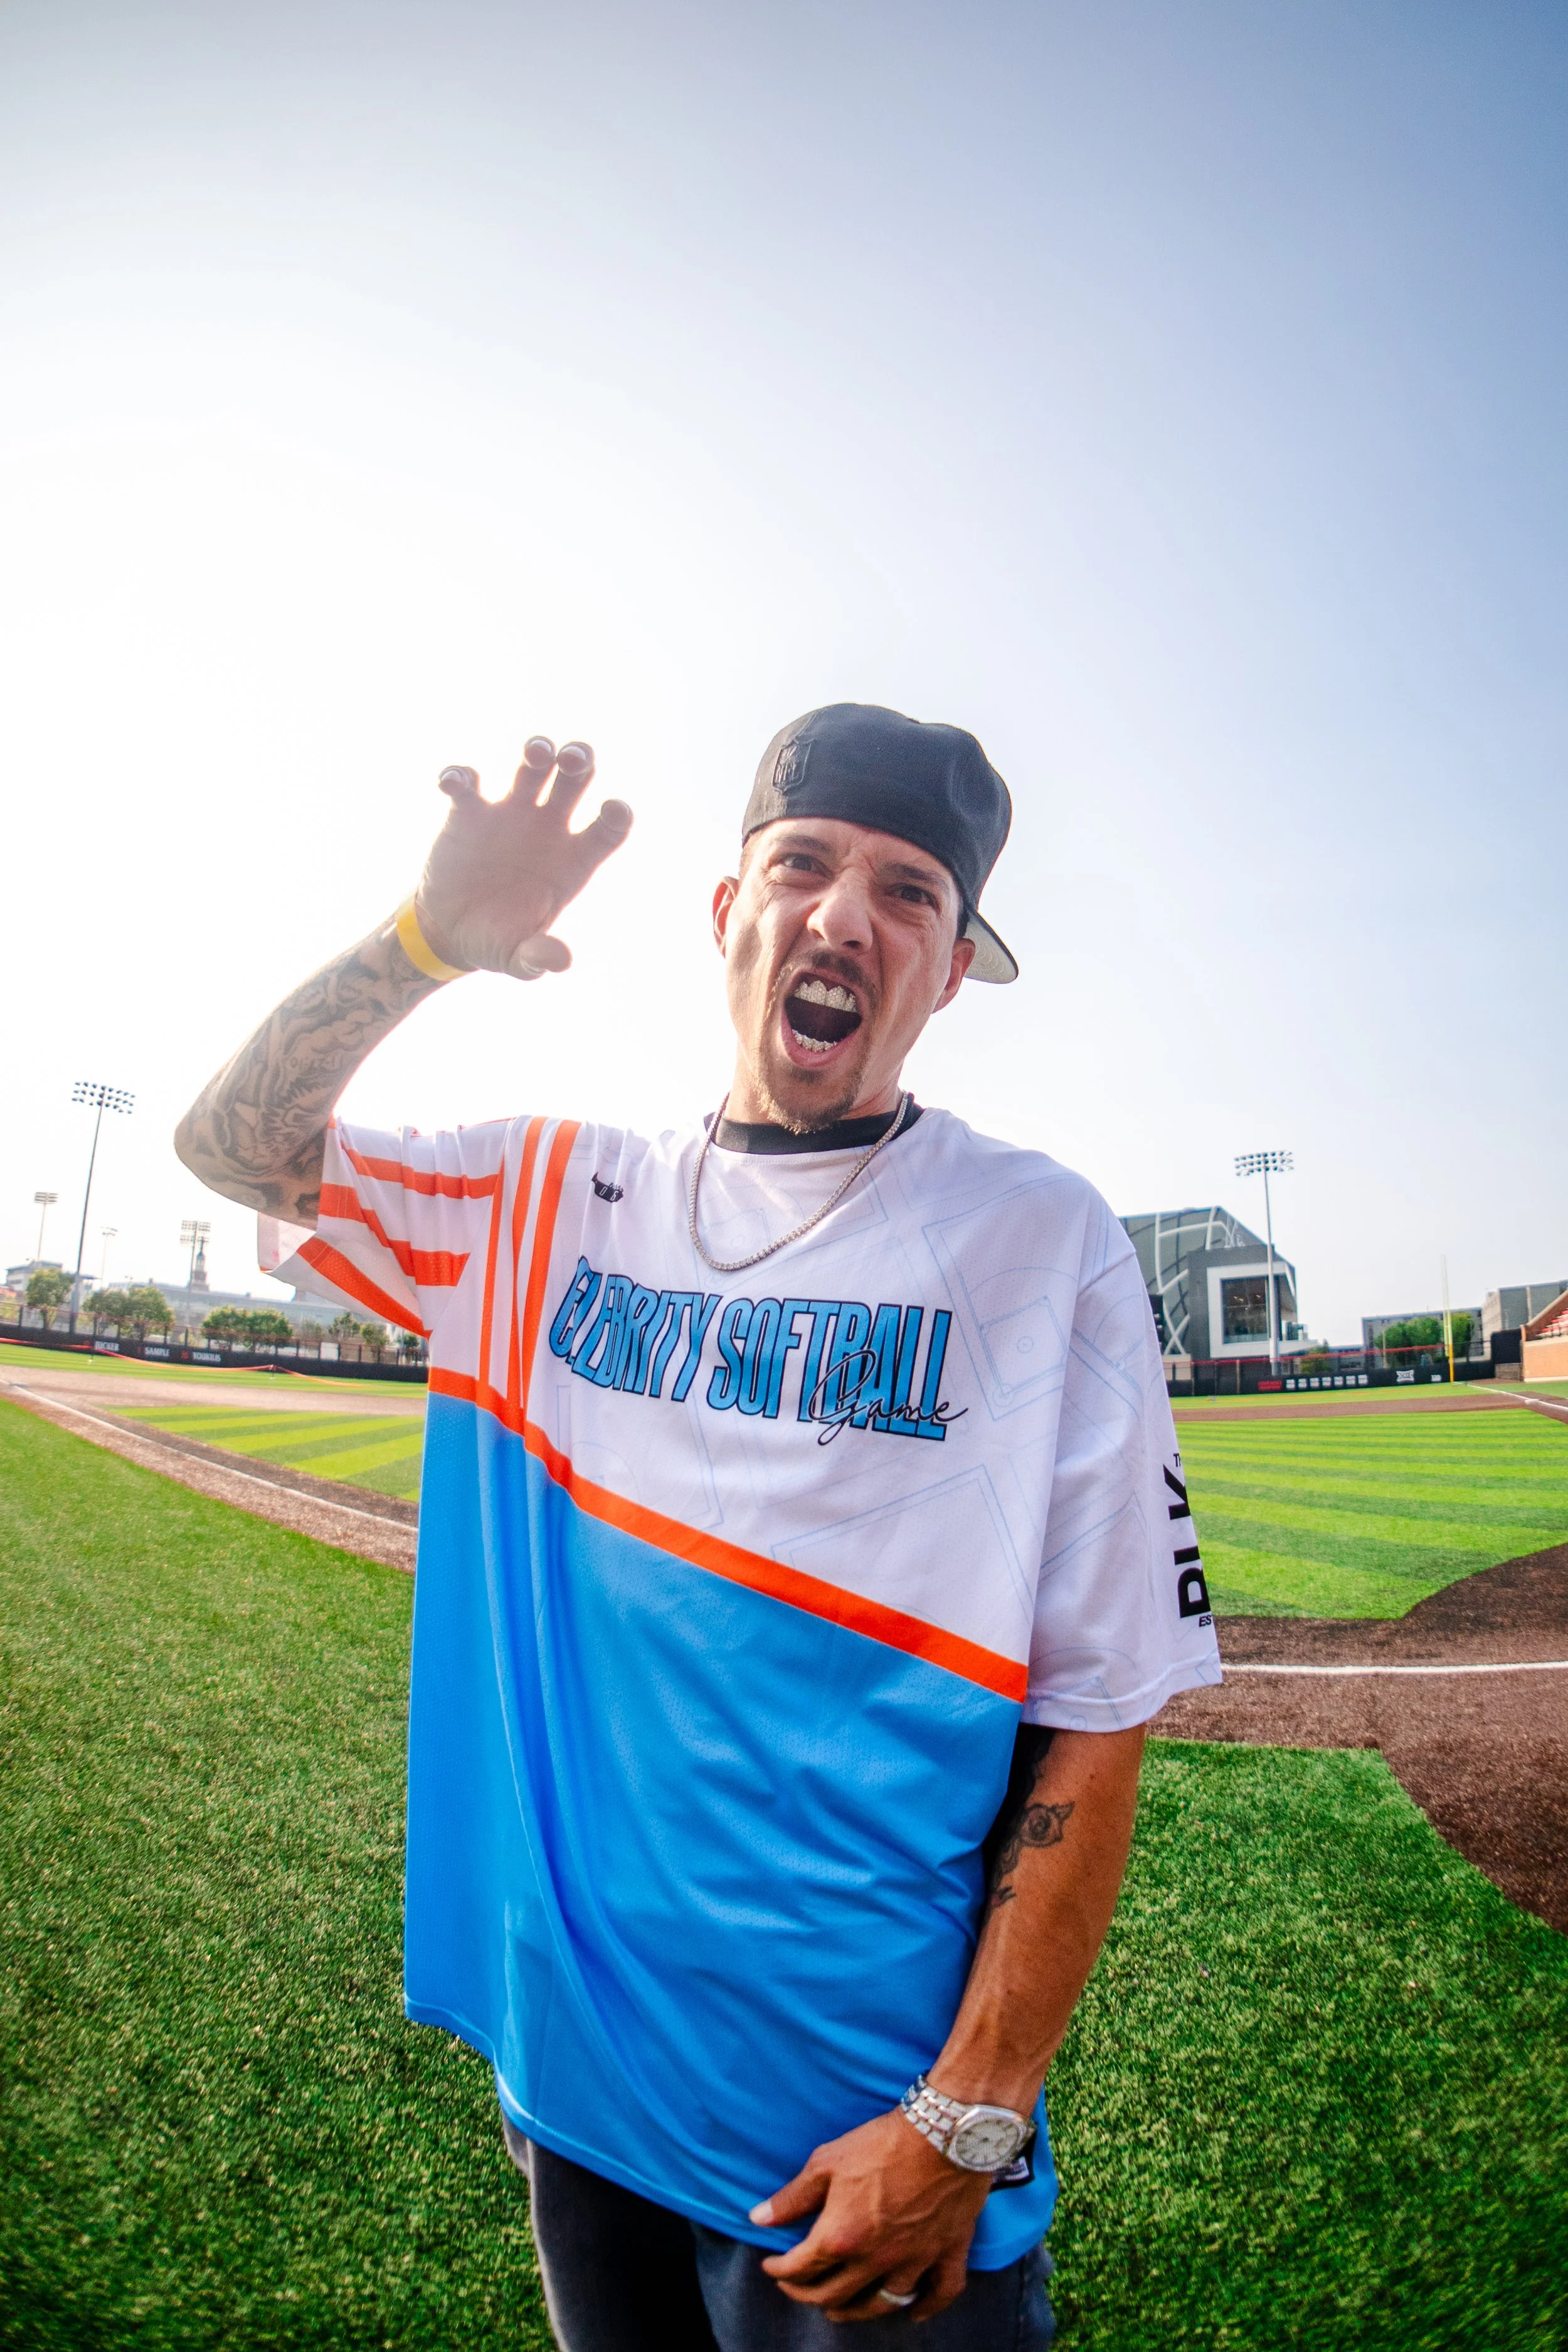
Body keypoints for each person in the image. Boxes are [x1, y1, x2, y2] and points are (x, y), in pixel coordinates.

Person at [177, 702, 1221, 2349]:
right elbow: (236, 1149)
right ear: (728, 909)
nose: (844, 917)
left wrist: (964, 2121)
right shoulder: (544, 1199)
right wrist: (424, 943)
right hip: (576, 2097)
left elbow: (1099, 1716)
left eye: (909, 893)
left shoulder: (1042, 1242)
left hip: (855, 2147)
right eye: (802, 865)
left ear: (950, 971)